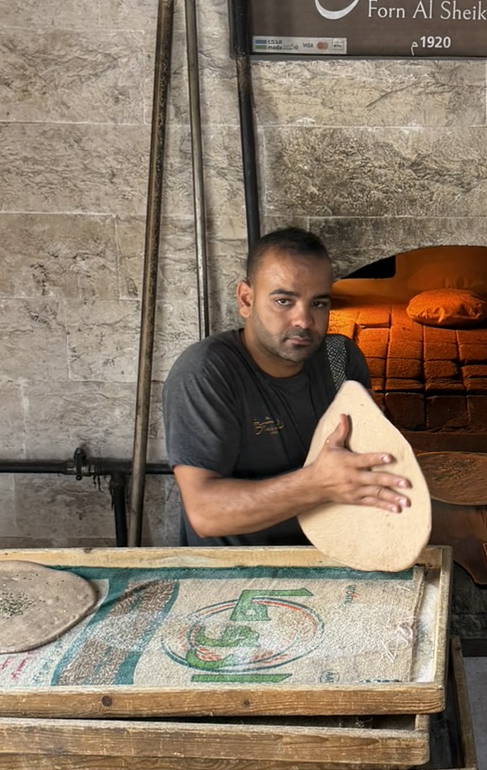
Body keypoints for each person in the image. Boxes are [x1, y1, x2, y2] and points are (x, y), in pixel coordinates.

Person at [163, 226, 412, 547]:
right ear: (246, 300)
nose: (304, 320)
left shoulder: (341, 360)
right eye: (284, 301)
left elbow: (369, 459)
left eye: (318, 304)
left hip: (335, 552)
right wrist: (318, 483)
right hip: (239, 570)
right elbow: (205, 513)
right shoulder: (206, 372)